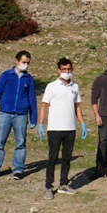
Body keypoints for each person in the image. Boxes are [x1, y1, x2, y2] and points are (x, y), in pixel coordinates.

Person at [37, 57, 85, 198]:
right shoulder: (51, 86)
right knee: (52, 158)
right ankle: (48, 186)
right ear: (59, 70)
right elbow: (44, 105)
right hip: (55, 128)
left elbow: (77, 106)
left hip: (70, 128)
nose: (67, 72)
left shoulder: (75, 87)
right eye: (64, 69)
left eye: (69, 69)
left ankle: (64, 183)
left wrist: (82, 123)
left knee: (66, 158)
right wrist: (41, 123)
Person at [0, 50, 37, 180]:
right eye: (23, 62)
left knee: (20, 143)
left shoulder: (29, 79)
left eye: (27, 63)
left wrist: (33, 118)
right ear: (16, 61)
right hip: (5, 114)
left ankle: (18, 169)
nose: (25, 65)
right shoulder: (6, 75)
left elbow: (32, 99)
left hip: (21, 115)